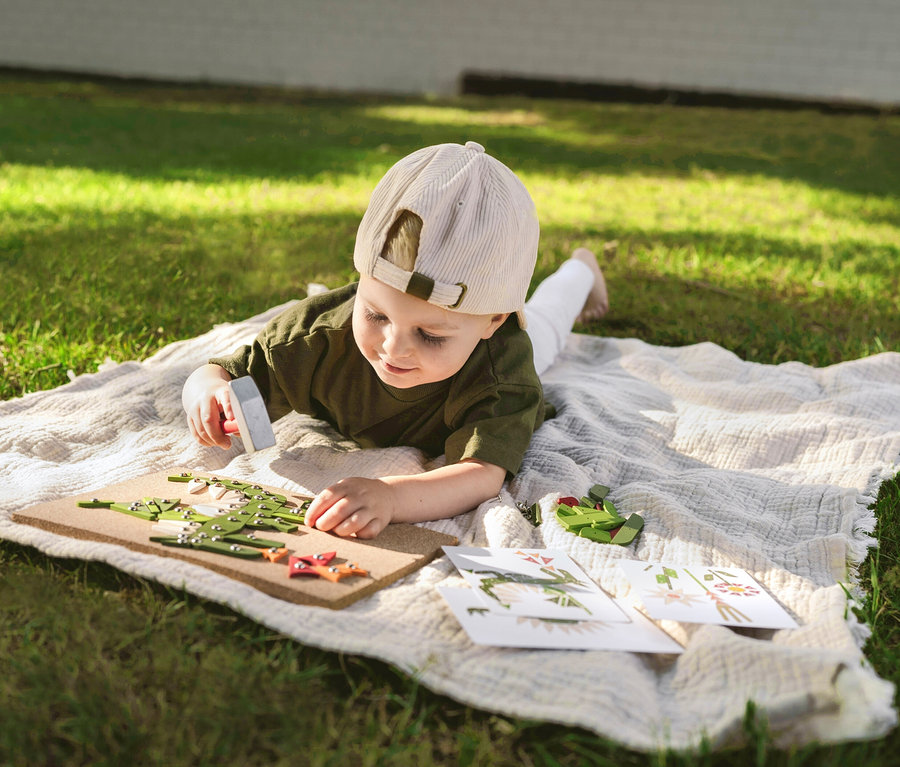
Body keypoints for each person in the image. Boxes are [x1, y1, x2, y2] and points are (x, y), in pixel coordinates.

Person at [182, 141, 608, 539]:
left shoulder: (502, 370)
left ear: (493, 320)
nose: (393, 347)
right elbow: (222, 373)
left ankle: (582, 268)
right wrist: (208, 391)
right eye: (376, 315)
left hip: (507, 350)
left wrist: (392, 495)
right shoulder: (316, 335)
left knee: (548, 320)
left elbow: (481, 474)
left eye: (430, 334)